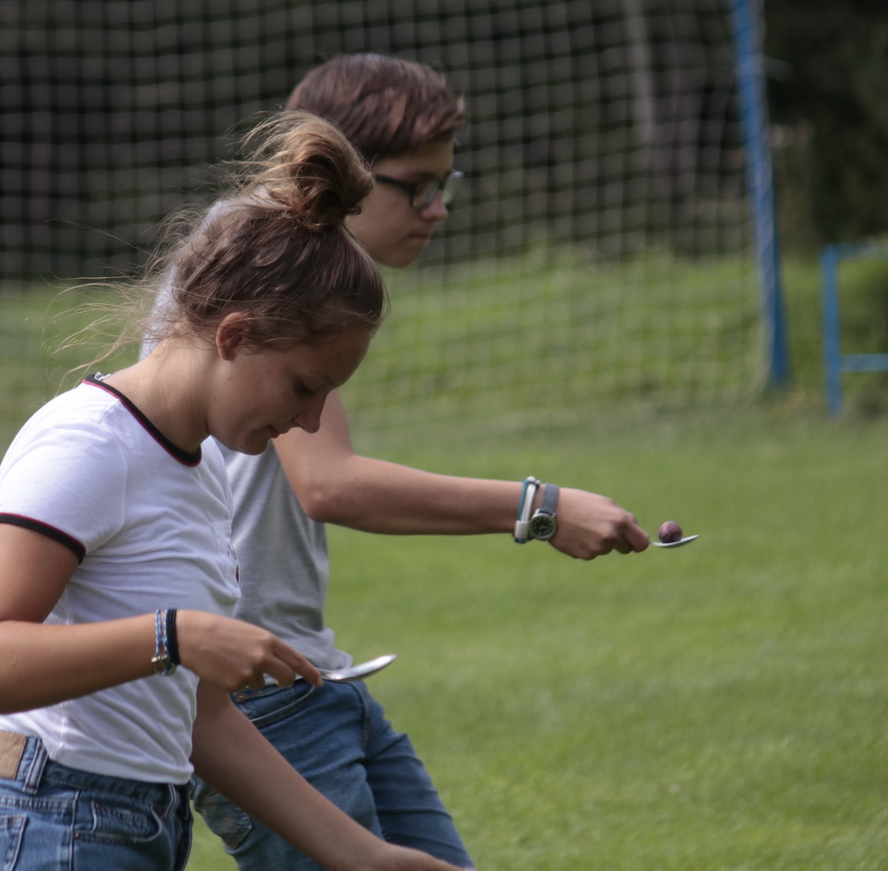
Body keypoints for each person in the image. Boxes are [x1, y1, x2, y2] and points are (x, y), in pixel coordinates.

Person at [0, 111, 463, 871]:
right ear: (233, 336)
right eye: (304, 387)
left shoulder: (200, 469)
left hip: (132, 828)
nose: (311, 421)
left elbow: (204, 721)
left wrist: (364, 856)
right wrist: (173, 635)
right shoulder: (88, 443)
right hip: (42, 828)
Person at [185, 54, 653, 871]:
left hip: (309, 675)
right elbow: (328, 482)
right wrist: (539, 507)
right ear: (345, 171)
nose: (438, 209)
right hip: (257, 697)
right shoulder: (263, 260)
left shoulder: (288, 256)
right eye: (419, 186)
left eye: (447, 183)